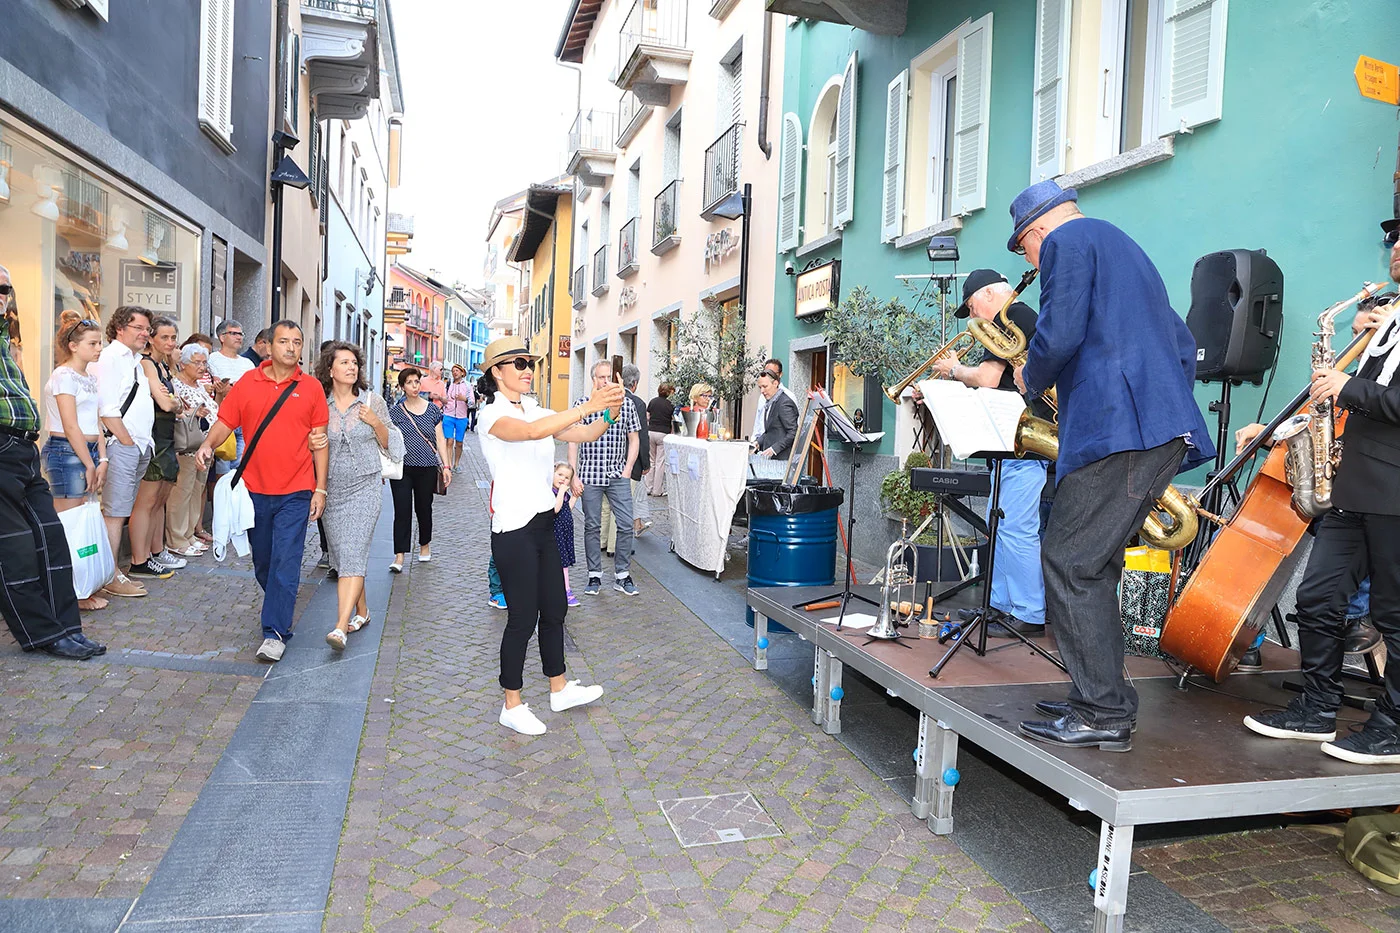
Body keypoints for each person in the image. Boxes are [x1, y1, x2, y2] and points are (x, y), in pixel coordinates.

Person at [1007, 180, 1215, 752]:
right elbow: (1181, 342)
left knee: (1070, 562)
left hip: (1115, 430)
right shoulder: (1128, 250)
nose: (1031, 261)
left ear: (1037, 230)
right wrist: (1158, 402)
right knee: (1093, 566)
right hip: (1152, 427)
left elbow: (1060, 331)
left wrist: (1031, 376)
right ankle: (1102, 697)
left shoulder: (1066, 242)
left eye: (1025, 249)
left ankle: (1101, 712)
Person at [1243, 239, 1400, 764]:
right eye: (1394, 239)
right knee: (1317, 598)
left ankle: (1393, 729)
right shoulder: (1388, 322)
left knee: (1393, 615)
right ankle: (1316, 709)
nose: (1397, 247)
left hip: (1394, 492)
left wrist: (1347, 385)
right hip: (1354, 487)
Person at [476, 337, 619, 735]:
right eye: (518, 363)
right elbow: (530, 432)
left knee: (555, 608)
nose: (527, 370)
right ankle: (511, 704)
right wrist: (587, 405)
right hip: (513, 528)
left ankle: (559, 688)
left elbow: (583, 434)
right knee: (522, 618)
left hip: (543, 523)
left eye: (529, 363)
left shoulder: (536, 408)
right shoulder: (491, 415)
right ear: (496, 372)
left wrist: (609, 412)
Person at [196, 320, 329, 663]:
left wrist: (320, 488)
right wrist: (208, 445)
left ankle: (275, 631)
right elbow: (226, 421)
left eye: (296, 342)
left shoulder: (311, 388)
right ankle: (280, 602)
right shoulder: (248, 382)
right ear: (269, 346)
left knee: (286, 560)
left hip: (296, 490)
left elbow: (320, 441)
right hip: (254, 489)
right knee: (264, 562)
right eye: (283, 341)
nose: (290, 347)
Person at [933, 269, 1052, 638]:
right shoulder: (1014, 320)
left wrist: (954, 369)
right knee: (999, 526)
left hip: (1026, 446)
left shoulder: (1009, 318)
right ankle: (999, 605)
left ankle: (1029, 612)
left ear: (988, 295)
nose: (972, 316)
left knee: (1016, 529)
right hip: (1010, 447)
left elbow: (985, 378)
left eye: (971, 307)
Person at [0, 284, 106, 658]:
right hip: (9, 447)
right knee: (15, 551)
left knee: (53, 539)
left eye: (6, 289)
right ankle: (45, 634)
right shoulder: (63, 375)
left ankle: (67, 628)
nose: (3, 296)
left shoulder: (4, 338)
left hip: (22, 448)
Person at [317, 341, 400, 650]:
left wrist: (376, 422)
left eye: (354, 363)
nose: (351, 367)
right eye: (344, 362)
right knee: (344, 556)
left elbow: (394, 444)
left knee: (352, 551)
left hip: (365, 487)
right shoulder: (319, 404)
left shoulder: (372, 401)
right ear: (330, 369)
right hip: (332, 490)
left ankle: (340, 627)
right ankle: (362, 611)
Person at [42, 313, 110, 610]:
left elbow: (96, 420)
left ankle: (80, 585)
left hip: (87, 451)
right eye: (92, 343)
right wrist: (89, 463)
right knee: (69, 523)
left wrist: (102, 458)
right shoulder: (63, 376)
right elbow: (70, 425)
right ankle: (70, 591)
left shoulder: (89, 377)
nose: (98, 348)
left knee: (82, 519)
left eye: (99, 343)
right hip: (66, 452)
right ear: (73, 345)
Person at [97, 305, 157, 599]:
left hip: (138, 444)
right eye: (139, 328)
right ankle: (110, 575)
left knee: (121, 511)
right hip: (123, 444)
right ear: (120, 328)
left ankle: (113, 572)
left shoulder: (135, 361)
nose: (145, 334)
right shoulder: (111, 358)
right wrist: (127, 441)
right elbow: (107, 408)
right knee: (115, 512)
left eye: (147, 329)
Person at [569, 360, 642, 597]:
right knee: (592, 526)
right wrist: (573, 475)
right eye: (601, 377)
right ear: (593, 379)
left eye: (609, 376)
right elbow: (573, 440)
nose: (606, 381)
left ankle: (622, 575)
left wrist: (628, 469)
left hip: (618, 474)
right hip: (590, 474)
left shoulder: (627, 404)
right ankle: (594, 575)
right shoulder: (583, 405)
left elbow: (634, 439)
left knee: (626, 524)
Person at [128, 316, 188, 579]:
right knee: (147, 500)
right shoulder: (146, 364)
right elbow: (166, 403)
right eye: (164, 337)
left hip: (166, 436)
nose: (170, 342)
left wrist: (175, 403)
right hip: (152, 437)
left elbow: (175, 402)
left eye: (173, 337)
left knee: (160, 499)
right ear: (151, 339)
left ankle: (156, 551)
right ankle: (139, 560)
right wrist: (175, 403)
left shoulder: (164, 366)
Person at [388, 367, 452, 571]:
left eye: (416, 381)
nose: (414, 386)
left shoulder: (432, 410)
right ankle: (399, 556)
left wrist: (446, 465)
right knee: (402, 510)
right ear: (402, 387)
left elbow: (440, 439)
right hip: (402, 468)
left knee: (424, 508)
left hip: (427, 467)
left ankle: (425, 545)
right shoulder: (395, 412)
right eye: (409, 383)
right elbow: (388, 439)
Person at [167, 342, 217, 559]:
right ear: (184, 363)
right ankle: (176, 538)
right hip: (187, 447)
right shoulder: (176, 385)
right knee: (182, 493)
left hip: (204, 447)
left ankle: (188, 534)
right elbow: (176, 412)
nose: (202, 367)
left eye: (204, 363)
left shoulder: (199, 386)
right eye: (197, 362)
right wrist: (194, 413)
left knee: (196, 491)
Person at [621, 365, 652, 537]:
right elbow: (641, 436)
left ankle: (636, 525)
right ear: (634, 384)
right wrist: (646, 463)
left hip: (611, 459)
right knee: (629, 497)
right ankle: (626, 533)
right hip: (631, 460)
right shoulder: (637, 403)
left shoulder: (609, 398)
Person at [551, 462, 581, 606]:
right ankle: (564, 590)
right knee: (558, 563)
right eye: (560, 475)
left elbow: (566, 508)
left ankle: (565, 589)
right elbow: (556, 509)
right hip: (555, 534)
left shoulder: (563, 494)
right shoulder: (552, 492)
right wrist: (562, 491)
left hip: (565, 534)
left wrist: (575, 496)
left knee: (564, 563)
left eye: (567, 477)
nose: (563, 479)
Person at [753, 370, 799, 460]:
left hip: (782, 460)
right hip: (771, 459)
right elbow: (770, 431)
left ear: (775, 383)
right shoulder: (773, 401)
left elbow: (793, 432)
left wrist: (774, 449)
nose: (762, 391)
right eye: (760, 387)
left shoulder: (784, 403)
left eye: (765, 386)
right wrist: (757, 443)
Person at [750, 358, 798, 442]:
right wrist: (755, 440)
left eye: (772, 372)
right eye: (766, 372)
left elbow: (793, 430)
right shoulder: (763, 396)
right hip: (762, 442)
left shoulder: (788, 397)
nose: (768, 375)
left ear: (780, 375)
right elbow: (758, 420)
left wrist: (774, 448)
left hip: (777, 446)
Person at [646, 383, 676, 496]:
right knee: (660, 462)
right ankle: (657, 490)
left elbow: (647, 416)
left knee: (651, 460)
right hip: (663, 433)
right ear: (668, 393)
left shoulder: (652, 402)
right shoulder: (670, 405)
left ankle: (648, 487)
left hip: (651, 432)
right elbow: (673, 420)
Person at [442, 363, 473, 472]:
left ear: (462, 373)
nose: (454, 373)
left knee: (459, 442)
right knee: (449, 440)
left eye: (457, 371)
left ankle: (456, 464)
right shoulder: (448, 384)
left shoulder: (468, 385)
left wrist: (464, 399)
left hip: (461, 417)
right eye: (453, 371)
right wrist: (443, 401)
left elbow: (472, 403)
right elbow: (444, 397)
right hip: (448, 415)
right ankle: (448, 465)